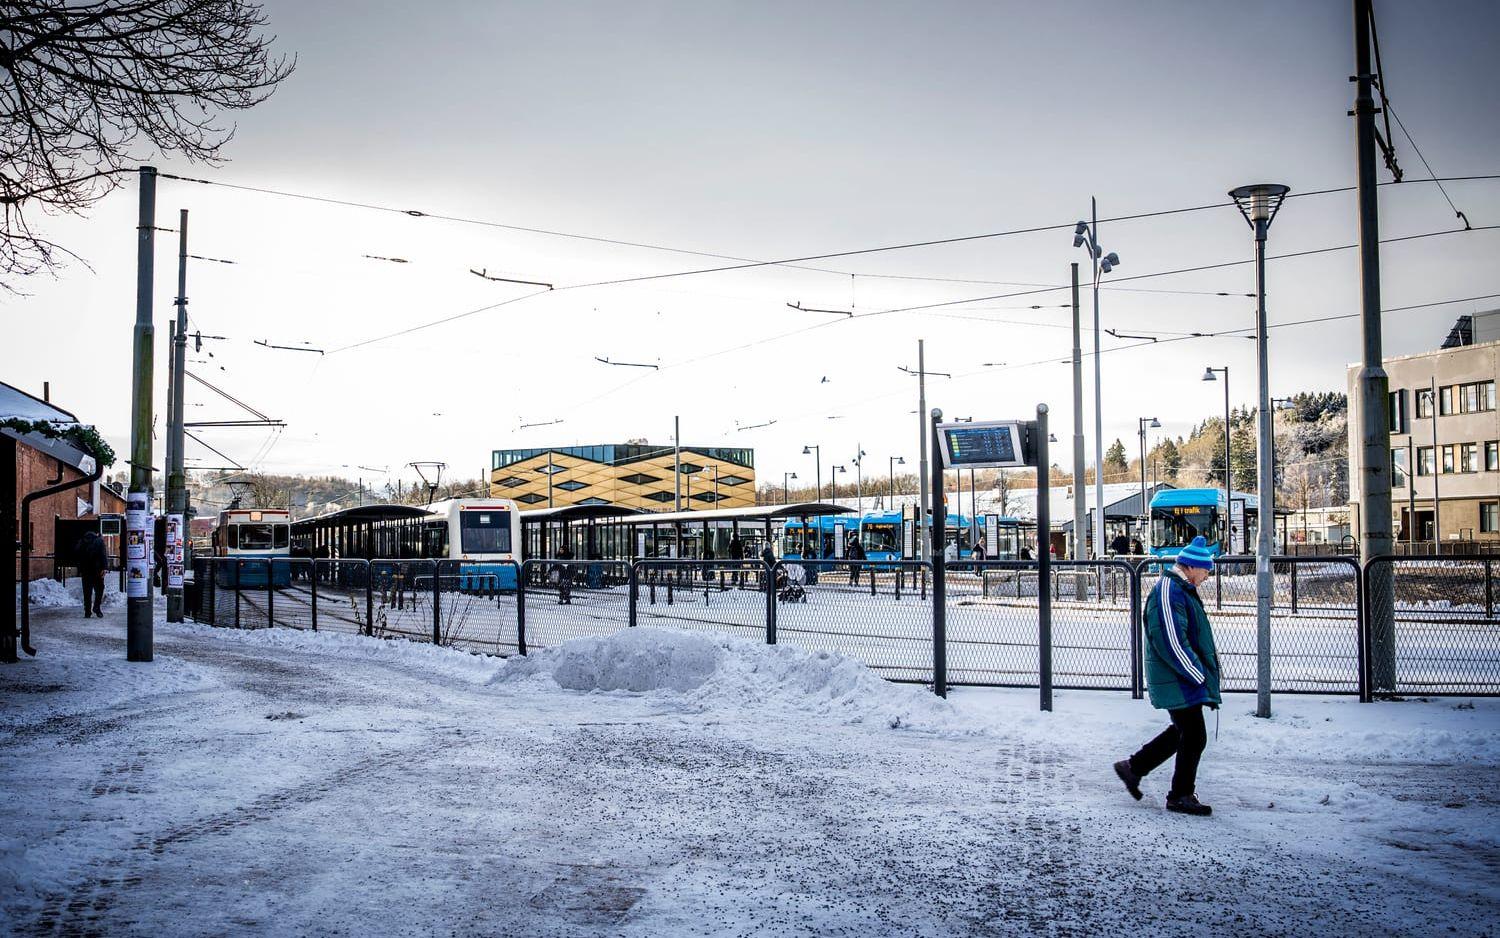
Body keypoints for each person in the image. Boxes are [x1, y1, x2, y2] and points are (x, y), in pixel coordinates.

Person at [1114, 535, 1221, 816]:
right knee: (1194, 735)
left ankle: (1133, 767)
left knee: (1184, 732)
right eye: (1206, 570)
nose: (1208, 576)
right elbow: (1171, 642)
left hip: (1181, 676)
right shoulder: (1169, 591)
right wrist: (1197, 674)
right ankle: (1179, 795)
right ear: (1191, 567)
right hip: (1179, 677)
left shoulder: (1178, 589)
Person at [76, 529, 108, 618]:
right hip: (97, 570)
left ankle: (87, 611)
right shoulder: (99, 541)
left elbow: (77, 554)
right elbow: (103, 555)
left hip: (85, 570)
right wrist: (104, 568)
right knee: (99, 589)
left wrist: (80, 568)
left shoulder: (82, 541)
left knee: (87, 591)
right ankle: (96, 607)